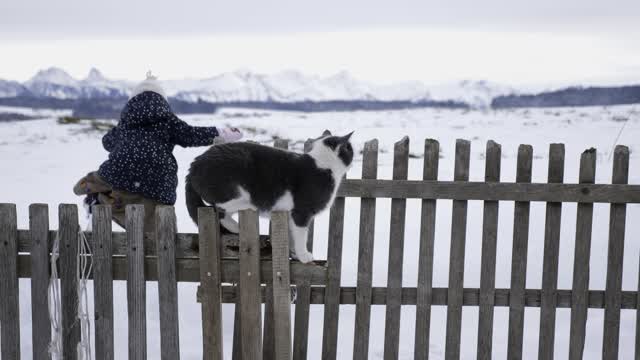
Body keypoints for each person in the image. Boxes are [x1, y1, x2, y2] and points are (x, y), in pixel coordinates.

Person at [73, 72, 242, 233]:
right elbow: (192, 135)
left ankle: (97, 195)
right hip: (158, 179)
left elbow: (106, 142)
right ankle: (158, 238)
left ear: (133, 99)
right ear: (162, 99)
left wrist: (123, 143)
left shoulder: (125, 122)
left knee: (106, 180)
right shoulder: (168, 121)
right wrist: (223, 134)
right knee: (155, 216)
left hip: (120, 171)